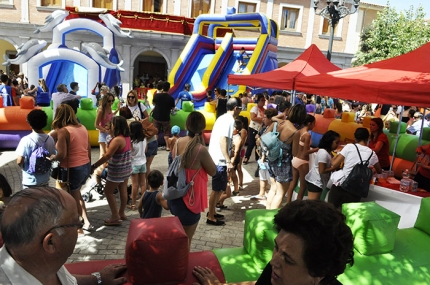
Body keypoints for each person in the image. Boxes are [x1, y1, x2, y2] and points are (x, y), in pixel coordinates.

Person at [192, 200, 354, 285]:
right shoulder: (277, 271)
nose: (273, 261)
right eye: (276, 247)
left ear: (318, 274)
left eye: (288, 260)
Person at [0, 186, 127, 285]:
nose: (79, 228)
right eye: (78, 223)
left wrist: (98, 279)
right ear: (51, 242)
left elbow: (64, 280)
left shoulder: (39, 262)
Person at [168, 111, 216, 244]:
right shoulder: (200, 150)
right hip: (190, 201)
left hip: (176, 197)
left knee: (179, 239)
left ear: (186, 125)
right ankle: (181, 265)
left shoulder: (178, 143)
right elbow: (213, 171)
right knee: (186, 242)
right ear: (203, 127)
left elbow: (174, 162)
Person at [49, 104, 93, 232]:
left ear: (58, 115)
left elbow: (62, 154)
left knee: (72, 198)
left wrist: (52, 157)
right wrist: (89, 165)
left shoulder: (63, 131)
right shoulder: (82, 127)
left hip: (72, 168)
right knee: (77, 194)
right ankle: (86, 222)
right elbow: (89, 148)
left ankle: (78, 225)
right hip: (84, 165)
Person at [91, 116, 132, 226]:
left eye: (112, 124)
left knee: (108, 192)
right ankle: (121, 213)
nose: (110, 126)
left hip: (117, 170)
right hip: (126, 168)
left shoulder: (117, 140)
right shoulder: (127, 137)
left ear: (116, 126)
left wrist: (94, 166)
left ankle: (115, 216)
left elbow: (107, 156)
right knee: (123, 190)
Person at [208, 98, 242, 225]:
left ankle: (213, 212)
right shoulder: (229, 120)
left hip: (217, 158)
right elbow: (223, 140)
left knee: (219, 189)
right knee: (216, 189)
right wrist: (228, 160)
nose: (240, 110)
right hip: (220, 160)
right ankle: (211, 216)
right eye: (240, 108)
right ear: (235, 108)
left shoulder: (222, 118)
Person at [328, 128, 382, 208]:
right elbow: (379, 171)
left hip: (340, 184)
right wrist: (371, 170)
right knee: (347, 215)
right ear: (368, 138)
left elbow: (334, 164)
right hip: (355, 189)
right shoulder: (372, 154)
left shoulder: (349, 147)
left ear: (355, 138)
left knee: (330, 212)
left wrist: (333, 157)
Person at [266, 104, 306, 210]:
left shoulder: (277, 123)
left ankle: (265, 213)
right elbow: (295, 153)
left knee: (272, 189)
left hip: (271, 159)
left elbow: (265, 135)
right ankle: (271, 217)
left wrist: (279, 117)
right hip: (283, 164)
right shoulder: (295, 132)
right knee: (280, 193)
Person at [16, 109, 56, 188]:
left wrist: (23, 168)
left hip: (29, 180)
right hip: (44, 180)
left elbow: (19, 161)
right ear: (45, 123)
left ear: (29, 123)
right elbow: (52, 156)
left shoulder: (25, 140)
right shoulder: (50, 139)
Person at [286, 115, 317, 202]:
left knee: (293, 183)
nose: (314, 125)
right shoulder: (307, 135)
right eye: (314, 123)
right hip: (303, 161)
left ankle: (288, 202)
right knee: (303, 186)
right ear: (309, 123)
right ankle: (297, 205)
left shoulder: (299, 131)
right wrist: (317, 149)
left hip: (295, 159)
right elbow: (305, 152)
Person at [305, 130, 340, 200]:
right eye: (336, 143)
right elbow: (322, 170)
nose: (337, 145)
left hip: (318, 181)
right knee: (312, 205)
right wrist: (333, 168)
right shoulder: (323, 153)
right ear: (330, 141)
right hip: (315, 182)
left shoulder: (327, 152)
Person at [253, 108, 278, 200]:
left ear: (271, 118)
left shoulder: (275, 128)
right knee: (262, 176)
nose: (263, 119)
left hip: (269, 157)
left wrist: (260, 140)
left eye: (265, 117)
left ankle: (272, 196)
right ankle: (261, 193)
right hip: (263, 156)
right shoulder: (265, 127)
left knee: (272, 180)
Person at [217, 120, 243, 207]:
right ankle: (220, 202)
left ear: (238, 129)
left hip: (232, 161)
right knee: (230, 177)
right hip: (229, 160)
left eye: (234, 128)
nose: (232, 129)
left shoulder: (238, 139)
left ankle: (218, 202)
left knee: (230, 176)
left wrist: (231, 162)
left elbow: (236, 152)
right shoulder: (231, 136)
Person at [129, 121, 147, 211]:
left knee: (134, 185)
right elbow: (145, 150)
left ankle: (133, 204)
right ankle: (144, 202)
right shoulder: (144, 138)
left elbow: (129, 152)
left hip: (134, 163)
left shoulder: (131, 140)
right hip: (143, 162)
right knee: (143, 184)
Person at [152, 81, 175, 150]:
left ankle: (155, 146)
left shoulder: (157, 95)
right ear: (169, 88)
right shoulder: (171, 98)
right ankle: (167, 147)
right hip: (165, 118)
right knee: (166, 133)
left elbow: (153, 103)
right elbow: (173, 108)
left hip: (156, 116)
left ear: (162, 88)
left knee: (156, 132)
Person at [243, 93, 265, 165]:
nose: (263, 102)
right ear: (258, 101)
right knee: (251, 143)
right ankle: (246, 157)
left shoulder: (264, 110)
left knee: (258, 144)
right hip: (254, 128)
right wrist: (262, 119)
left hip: (260, 129)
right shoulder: (254, 108)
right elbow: (253, 118)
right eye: (262, 100)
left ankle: (257, 158)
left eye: (264, 100)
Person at [95, 93, 118, 158]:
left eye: (112, 100)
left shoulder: (109, 107)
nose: (111, 102)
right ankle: (99, 167)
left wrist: (117, 110)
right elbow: (96, 125)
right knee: (103, 154)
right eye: (109, 101)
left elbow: (110, 116)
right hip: (103, 134)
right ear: (105, 100)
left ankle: (104, 167)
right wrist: (105, 130)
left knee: (109, 154)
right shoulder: (101, 110)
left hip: (110, 134)